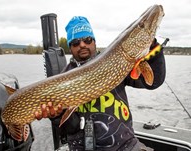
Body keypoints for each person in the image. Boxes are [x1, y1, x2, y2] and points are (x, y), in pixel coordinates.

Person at [35, 16, 166, 151]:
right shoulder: (63, 78)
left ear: (94, 41)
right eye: (75, 42)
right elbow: (70, 128)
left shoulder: (118, 61)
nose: (82, 45)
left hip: (125, 145)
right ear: (70, 47)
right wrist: (56, 115)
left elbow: (153, 82)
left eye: (87, 39)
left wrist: (152, 47)